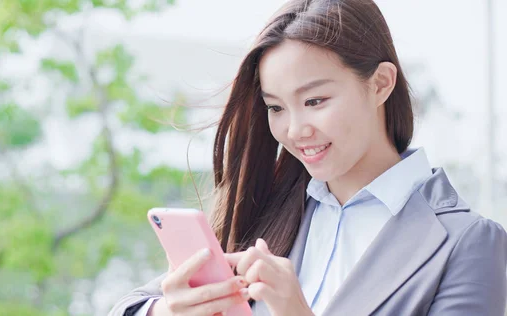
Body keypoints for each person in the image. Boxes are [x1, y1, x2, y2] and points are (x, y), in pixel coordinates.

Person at [109, 0, 507, 315]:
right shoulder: (265, 209)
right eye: (276, 108)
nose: (295, 131)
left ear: (381, 84)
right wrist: (168, 310)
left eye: (315, 100)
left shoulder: (467, 244)